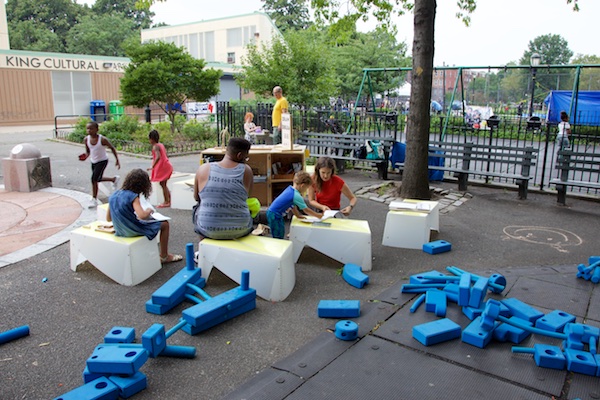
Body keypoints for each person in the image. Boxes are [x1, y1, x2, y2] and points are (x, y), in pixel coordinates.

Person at [107, 168, 182, 264]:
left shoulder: (114, 195)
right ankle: (164, 256)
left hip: (119, 231)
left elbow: (108, 218)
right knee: (165, 224)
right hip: (131, 231)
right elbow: (142, 216)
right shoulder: (133, 196)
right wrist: (148, 211)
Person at [193, 137, 254, 240]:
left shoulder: (204, 168)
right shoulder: (246, 170)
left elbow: (196, 197)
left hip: (208, 229)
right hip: (241, 229)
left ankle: (203, 249)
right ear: (239, 156)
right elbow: (247, 196)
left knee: (198, 207)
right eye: (246, 158)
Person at [266, 171, 321, 239]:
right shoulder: (296, 195)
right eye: (306, 188)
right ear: (302, 186)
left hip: (273, 213)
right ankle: (278, 247)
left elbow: (293, 206)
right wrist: (318, 215)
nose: (305, 190)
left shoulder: (290, 189)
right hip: (275, 215)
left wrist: (298, 215)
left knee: (279, 231)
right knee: (278, 235)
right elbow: (306, 210)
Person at [79, 121, 120, 209]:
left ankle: (94, 199)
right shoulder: (86, 139)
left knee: (94, 179)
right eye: (87, 129)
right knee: (97, 178)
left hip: (102, 161)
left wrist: (117, 160)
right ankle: (114, 179)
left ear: (97, 129)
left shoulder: (102, 139)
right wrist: (85, 156)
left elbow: (112, 148)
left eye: (91, 128)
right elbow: (88, 151)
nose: (89, 130)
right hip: (93, 161)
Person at [147, 129, 173, 208]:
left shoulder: (155, 147)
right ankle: (168, 200)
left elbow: (158, 157)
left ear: (151, 139)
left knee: (163, 184)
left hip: (163, 167)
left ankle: (166, 201)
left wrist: (153, 166)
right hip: (166, 165)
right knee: (163, 184)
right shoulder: (161, 145)